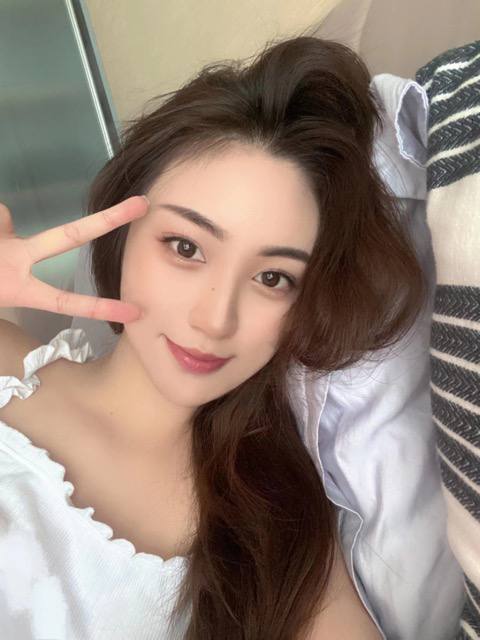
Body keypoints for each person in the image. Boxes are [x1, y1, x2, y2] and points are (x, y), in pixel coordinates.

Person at [0, 36, 427, 639]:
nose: (215, 319)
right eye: (185, 247)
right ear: (122, 231)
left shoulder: (279, 537)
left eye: (273, 278)